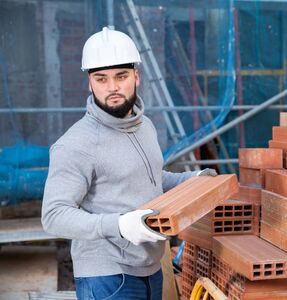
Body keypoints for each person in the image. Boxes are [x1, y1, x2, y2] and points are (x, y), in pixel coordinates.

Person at [41, 27, 217, 300]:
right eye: (101, 79)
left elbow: (150, 179)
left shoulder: (144, 126)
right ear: (90, 83)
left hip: (150, 267)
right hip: (107, 277)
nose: (112, 87)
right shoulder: (77, 144)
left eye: (121, 76)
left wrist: (195, 180)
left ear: (136, 76)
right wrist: (120, 225)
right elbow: (54, 216)